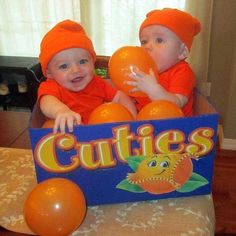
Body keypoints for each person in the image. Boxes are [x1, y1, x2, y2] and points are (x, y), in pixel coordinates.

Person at [38, 20, 137, 133]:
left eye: (82, 61)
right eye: (64, 66)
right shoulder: (51, 86)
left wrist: (133, 121)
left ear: (92, 63)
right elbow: (46, 102)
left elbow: (120, 97)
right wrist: (61, 111)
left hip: (99, 137)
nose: (76, 70)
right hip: (68, 138)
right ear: (49, 73)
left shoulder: (97, 83)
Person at [126, 8, 201, 116]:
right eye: (144, 41)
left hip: (174, 129)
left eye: (159, 40)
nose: (147, 47)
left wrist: (153, 89)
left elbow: (176, 103)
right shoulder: (144, 70)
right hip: (144, 126)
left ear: (182, 52)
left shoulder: (182, 72)